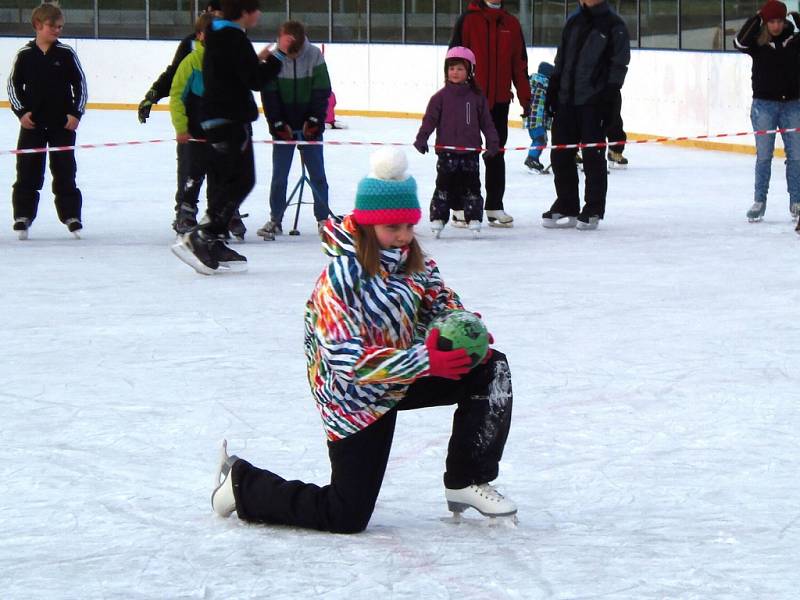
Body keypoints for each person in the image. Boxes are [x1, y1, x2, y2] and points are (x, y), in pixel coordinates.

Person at [210, 148, 516, 533]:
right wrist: (426, 362)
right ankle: (242, 486)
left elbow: (438, 300)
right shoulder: (340, 279)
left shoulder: (412, 259)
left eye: (409, 226)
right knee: (346, 515)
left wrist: (462, 325)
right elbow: (346, 360)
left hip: (403, 375)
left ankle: (466, 479)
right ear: (369, 224)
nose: (404, 236)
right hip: (354, 397)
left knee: (491, 366)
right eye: (393, 228)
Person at [171, 0, 293, 275]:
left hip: (215, 118)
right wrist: (280, 54)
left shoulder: (217, 34)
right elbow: (254, 81)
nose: (260, 14)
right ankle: (204, 234)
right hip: (230, 119)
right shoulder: (233, 37)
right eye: (256, 9)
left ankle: (212, 239)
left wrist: (256, 59)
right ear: (245, 12)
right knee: (242, 179)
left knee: (222, 180)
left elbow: (234, 72)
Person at [542, 0, 630, 231]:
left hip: (593, 102)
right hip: (566, 101)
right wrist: (553, 89)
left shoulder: (614, 25)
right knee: (560, 156)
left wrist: (609, 96)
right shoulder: (573, 21)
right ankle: (567, 203)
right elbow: (561, 59)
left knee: (592, 158)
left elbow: (619, 64)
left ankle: (593, 208)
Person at [7, 2, 87, 240]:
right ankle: (23, 216)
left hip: (62, 125)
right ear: (38, 25)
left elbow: (80, 85)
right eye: (53, 26)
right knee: (28, 172)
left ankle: (71, 216)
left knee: (65, 171)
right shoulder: (25, 55)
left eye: (61, 27)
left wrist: (75, 113)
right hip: (33, 126)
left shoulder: (66, 53)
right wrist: (22, 113)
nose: (57, 31)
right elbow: (13, 86)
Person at [450, 0, 531, 229]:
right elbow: (454, 61)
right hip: (469, 100)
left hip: (500, 102)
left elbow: (520, 64)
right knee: (466, 154)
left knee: (496, 153)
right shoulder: (467, 21)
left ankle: (495, 206)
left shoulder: (511, 24)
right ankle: (459, 207)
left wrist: (526, 99)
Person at [257, 20, 332, 241]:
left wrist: (315, 120)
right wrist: (278, 124)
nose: (291, 57)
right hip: (284, 128)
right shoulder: (274, 58)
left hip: (311, 127)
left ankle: (323, 219)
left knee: (318, 175)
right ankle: (276, 219)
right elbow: (268, 94)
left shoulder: (314, 55)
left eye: (295, 53)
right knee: (279, 177)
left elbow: (322, 90)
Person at [413, 46, 499, 238]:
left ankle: (474, 217)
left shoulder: (477, 97)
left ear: (469, 71)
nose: (455, 72)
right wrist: (422, 138)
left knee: (472, 186)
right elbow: (429, 120)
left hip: (470, 152)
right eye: (451, 68)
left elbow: (487, 122)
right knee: (443, 186)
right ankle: (438, 218)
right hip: (447, 151)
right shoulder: (439, 98)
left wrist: (493, 143)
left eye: (460, 68)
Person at [735, 0, 800, 223]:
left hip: (793, 105)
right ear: (766, 22)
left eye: (779, 21)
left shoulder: (795, 41)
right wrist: (756, 18)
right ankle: (759, 201)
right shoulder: (758, 42)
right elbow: (738, 42)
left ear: (784, 21)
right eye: (771, 21)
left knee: (797, 156)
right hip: (764, 106)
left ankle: (797, 202)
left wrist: (798, 19)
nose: (775, 26)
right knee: (764, 156)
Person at [168, 13, 217, 236]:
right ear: (199, 36)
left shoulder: (228, 61)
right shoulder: (191, 62)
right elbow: (177, 96)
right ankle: (186, 212)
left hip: (221, 131)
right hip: (195, 132)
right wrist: (181, 127)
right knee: (192, 173)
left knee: (222, 174)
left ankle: (222, 214)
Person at [137, 0, 222, 125]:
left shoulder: (234, 43)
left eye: (217, 16)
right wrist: (154, 94)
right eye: (210, 14)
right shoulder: (190, 44)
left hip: (226, 121)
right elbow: (174, 74)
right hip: (195, 120)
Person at [524, 61, 554, 174]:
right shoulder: (546, 83)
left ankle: (533, 159)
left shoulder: (531, 81)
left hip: (530, 118)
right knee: (540, 139)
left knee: (538, 139)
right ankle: (531, 160)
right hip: (538, 119)